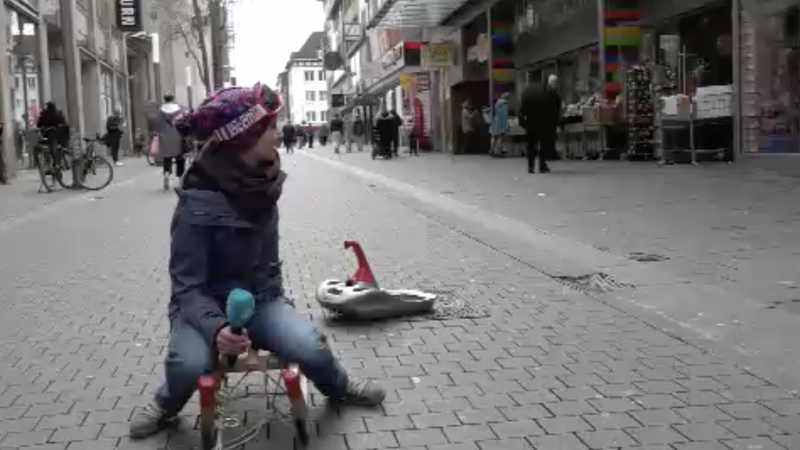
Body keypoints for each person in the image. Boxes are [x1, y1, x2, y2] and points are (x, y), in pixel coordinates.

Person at [128, 83, 386, 440]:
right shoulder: (198, 199)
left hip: (261, 301)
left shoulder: (263, 183)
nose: (277, 134)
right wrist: (218, 329)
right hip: (204, 308)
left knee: (309, 344)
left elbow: (269, 266)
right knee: (189, 365)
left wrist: (277, 312)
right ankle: (166, 404)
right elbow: (187, 287)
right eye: (269, 128)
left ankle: (339, 386)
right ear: (244, 139)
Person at [520, 76, 560, 173]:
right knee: (544, 145)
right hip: (545, 123)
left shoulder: (526, 91)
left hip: (531, 123)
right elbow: (556, 107)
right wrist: (555, 123)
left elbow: (522, 109)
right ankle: (542, 165)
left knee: (531, 145)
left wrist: (523, 124)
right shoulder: (550, 90)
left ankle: (530, 167)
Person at [157, 93, 189, 190]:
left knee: (167, 157)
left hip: (165, 136)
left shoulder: (160, 110)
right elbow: (185, 121)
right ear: (173, 99)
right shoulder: (180, 109)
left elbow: (158, 124)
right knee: (180, 158)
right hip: (178, 135)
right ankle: (180, 180)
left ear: (164, 99)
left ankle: (166, 174)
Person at [490, 93, 511, 157]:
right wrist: (506, 125)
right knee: (499, 137)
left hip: (495, 120)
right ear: (507, 98)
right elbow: (504, 115)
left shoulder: (497, 102)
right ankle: (497, 151)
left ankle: (492, 150)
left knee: (493, 136)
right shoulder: (505, 103)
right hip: (500, 121)